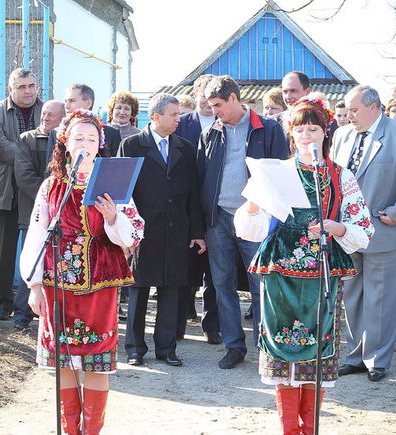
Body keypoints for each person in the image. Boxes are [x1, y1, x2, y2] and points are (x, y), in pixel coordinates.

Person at [235, 96, 373, 435]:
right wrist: (251, 204)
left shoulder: (341, 175)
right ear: (291, 135)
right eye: (300, 129)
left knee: (317, 356)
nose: (307, 135)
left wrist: (337, 226)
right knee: (282, 353)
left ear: (325, 131)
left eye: (314, 128)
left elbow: (363, 230)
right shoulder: (277, 173)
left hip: (323, 273)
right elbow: (249, 228)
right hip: (280, 272)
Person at [19, 110, 144, 435]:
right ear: (65, 143)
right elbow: (38, 235)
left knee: (96, 363)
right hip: (58, 284)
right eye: (78, 139)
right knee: (65, 363)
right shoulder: (51, 186)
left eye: (91, 139)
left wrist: (111, 218)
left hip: (99, 285)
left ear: (100, 144)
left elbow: (134, 235)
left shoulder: (113, 184)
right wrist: (34, 285)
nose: (85, 145)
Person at [331, 85, 396, 382]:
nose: (348, 116)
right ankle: (355, 355)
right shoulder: (341, 135)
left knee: (382, 298)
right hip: (348, 232)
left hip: (386, 230)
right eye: (347, 110)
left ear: (374, 107)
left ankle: (378, 359)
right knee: (352, 296)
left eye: (354, 110)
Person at [197, 75, 289, 369]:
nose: (214, 111)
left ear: (235, 99)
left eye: (218, 105)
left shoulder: (269, 129)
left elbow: (279, 174)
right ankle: (234, 346)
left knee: (260, 284)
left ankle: (266, 346)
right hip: (219, 219)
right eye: (211, 106)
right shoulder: (211, 132)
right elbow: (201, 178)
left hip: (256, 219)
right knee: (222, 284)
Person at [119, 93, 204, 367]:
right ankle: (134, 348)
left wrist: (196, 231)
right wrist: (124, 232)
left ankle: (167, 348)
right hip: (143, 231)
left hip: (177, 229)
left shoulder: (186, 148)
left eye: (180, 114)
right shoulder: (131, 145)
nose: (179, 119)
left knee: (171, 290)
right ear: (156, 116)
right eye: (174, 115)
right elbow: (123, 193)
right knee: (138, 289)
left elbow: (194, 193)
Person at [0, 68, 43, 326]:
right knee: (2, 250)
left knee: (39, 248)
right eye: (22, 87)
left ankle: (37, 303)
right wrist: (30, 155)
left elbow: (54, 144)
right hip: (5, 188)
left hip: (36, 189)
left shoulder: (48, 109)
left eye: (31, 86)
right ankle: (2, 304)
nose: (28, 91)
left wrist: (28, 158)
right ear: (11, 89)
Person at [174, 73, 221, 346]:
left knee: (215, 273)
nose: (205, 100)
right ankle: (177, 323)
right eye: (202, 94)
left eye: (211, 96)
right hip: (186, 209)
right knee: (185, 271)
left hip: (215, 209)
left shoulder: (225, 123)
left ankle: (212, 325)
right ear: (195, 95)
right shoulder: (182, 124)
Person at [13, 99, 66, 326]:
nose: (45, 118)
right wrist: (50, 200)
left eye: (51, 115)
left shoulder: (67, 142)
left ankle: (53, 316)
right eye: (43, 113)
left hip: (66, 218)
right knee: (34, 261)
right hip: (33, 213)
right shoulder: (28, 139)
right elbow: (24, 176)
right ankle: (22, 315)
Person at [58, 84, 122, 156]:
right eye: (65, 101)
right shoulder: (57, 133)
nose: (66, 106)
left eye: (72, 101)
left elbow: (116, 165)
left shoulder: (111, 134)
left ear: (88, 103)